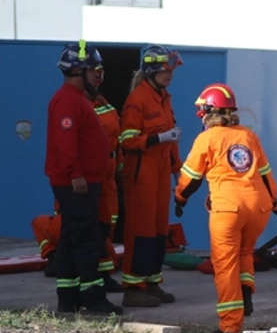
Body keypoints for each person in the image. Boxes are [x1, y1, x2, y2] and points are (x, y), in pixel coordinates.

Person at [174, 83, 277, 333]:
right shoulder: (248, 135)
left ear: (210, 111)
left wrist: (179, 198)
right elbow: (266, 176)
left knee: (224, 266)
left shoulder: (207, 139)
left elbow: (190, 179)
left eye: (202, 111)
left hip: (228, 208)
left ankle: (230, 326)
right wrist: (275, 204)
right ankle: (245, 290)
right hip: (259, 207)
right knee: (245, 253)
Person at [44, 41, 121, 315]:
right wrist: (76, 175)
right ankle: (92, 297)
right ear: (78, 71)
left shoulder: (78, 99)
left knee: (71, 240)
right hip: (77, 184)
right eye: (91, 70)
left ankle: (68, 297)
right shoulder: (68, 100)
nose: (96, 76)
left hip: (84, 181)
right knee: (87, 241)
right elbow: (66, 144)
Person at [118, 45, 183, 308]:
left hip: (159, 177)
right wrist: (158, 137)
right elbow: (128, 141)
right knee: (140, 231)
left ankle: (152, 283)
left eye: (170, 71)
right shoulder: (138, 99)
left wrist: (179, 173)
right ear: (151, 71)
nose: (169, 76)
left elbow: (172, 143)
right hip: (141, 176)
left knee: (158, 231)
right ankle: (133, 288)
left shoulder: (163, 97)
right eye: (164, 71)